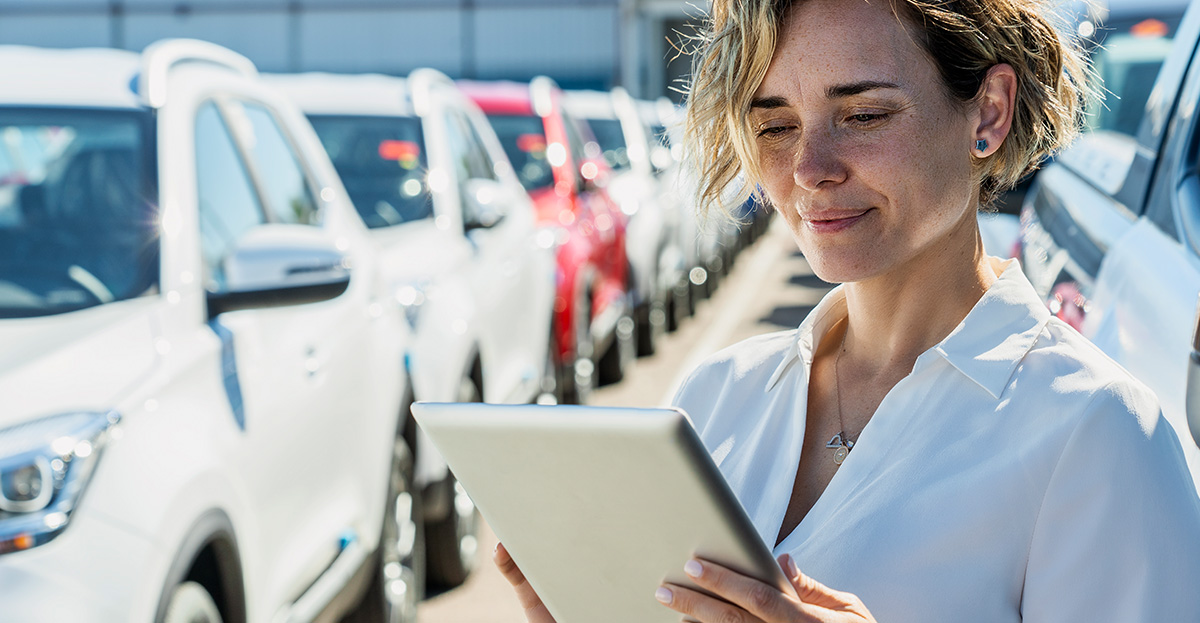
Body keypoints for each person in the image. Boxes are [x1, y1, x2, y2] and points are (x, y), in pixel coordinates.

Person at [494, 0, 1200, 620]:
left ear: (988, 113)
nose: (810, 168)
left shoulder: (1102, 432)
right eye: (775, 126)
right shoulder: (714, 398)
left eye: (862, 114)